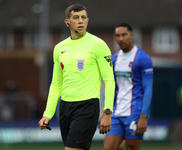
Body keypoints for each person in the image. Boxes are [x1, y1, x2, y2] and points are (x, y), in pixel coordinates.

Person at [38, 4, 115, 150]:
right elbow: (56, 84)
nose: (80, 21)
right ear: (68, 22)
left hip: (87, 106)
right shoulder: (59, 48)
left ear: (87, 20)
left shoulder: (98, 45)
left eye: (83, 18)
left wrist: (107, 112)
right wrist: (47, 114)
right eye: (76, 18)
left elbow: (110, 80)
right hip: (65, 107)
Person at [103, 23, 153, 150]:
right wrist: (106, 112)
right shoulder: (114, 59)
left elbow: (148, 88)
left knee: (131, 147)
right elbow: (112, 87)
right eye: (117, 36)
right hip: (117, 112)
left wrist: (143, 117)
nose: (120, 39)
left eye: (124, 35)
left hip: (134, 113)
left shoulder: (143, 58)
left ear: (131, 35)